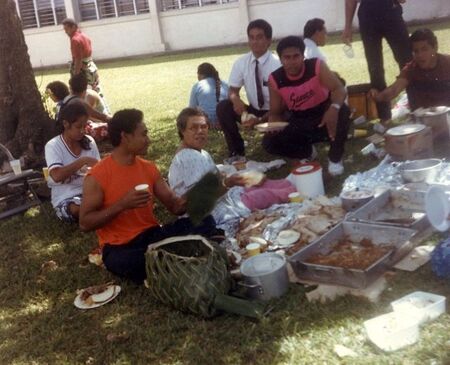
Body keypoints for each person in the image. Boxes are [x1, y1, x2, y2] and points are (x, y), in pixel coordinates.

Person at [79, 109, 218, 284]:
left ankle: (165, 262)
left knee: (206, 221)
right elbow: (85, 223)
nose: (148, 140)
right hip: (120, 247)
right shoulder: (97, 175)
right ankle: (172, 259)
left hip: (152, 236)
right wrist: (122, 205)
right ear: (125, 137)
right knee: (126, 261)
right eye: (143, 134)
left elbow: (176, 207)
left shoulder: (148, 168)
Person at [169, 107, 296, 231]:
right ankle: (300, 192)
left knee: (266, 185)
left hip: (223, 200)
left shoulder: (198, 153)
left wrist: (227, 178)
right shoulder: (188, 156)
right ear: (182, 130)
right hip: (213, 214)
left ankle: (296, 189)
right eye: (193, 127)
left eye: (203, 126)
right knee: (266, 194)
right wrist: (229, 182)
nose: (200, 131)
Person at [264, 36, 351, 176]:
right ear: (280, 59)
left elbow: (339, 89)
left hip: (323, 113)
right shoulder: (275, 79)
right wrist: (273, 121)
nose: (292, 62)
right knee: (270, 141)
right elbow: (275, 112)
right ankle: (307, 152)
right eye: (287, 57)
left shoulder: (316, 66)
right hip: (299, 119)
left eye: (296, 56)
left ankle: (335, 157)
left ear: (303, 56)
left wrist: (333, 108)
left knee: (343, 111)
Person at [216, 19, 281, 162]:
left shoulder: (277, 64)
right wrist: (235, 99)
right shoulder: (241, 62)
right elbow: (233, 90)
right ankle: (237, 152)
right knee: (223, 107)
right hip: (254, 110)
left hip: (276, 111)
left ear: (269, 40)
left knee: (271, 143)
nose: (254, 42)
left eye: (259, 37)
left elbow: (283, 103)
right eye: (251, 37)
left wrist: (260, 120)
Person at [342, 0, 411, 129]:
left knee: (406, 60)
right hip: (368, 15)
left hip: (389, 11)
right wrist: (347, 26)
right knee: (375, 66)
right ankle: (384, 116)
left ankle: (417, 103)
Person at [45, 102, 100, 223]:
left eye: (84, 126)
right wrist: (82, 161)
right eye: (78, 127)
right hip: (67, 197)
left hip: (90, 192)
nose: (82, 131)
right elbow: (57, 175)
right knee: (76, 210)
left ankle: (96, 211)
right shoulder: (53, 146)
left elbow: (100, 170)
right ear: (65, 124)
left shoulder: (89, 142)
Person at [370, 29, 450, 111]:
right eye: (416, 51)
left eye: (424, 49)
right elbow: (394, 90)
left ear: (435, 48)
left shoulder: (447, 63)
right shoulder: (411, 69)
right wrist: (377, 96)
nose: (420, 55)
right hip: (421, 119)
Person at [62, 18, 105, 99]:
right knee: (96, 92)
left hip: (83, 72)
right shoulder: (84, 36)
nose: (65, 32)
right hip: (91, 68)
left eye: (67, 29)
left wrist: (75, 76)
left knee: (85, 96)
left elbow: (78, 59)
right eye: (64, 29)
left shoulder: (75, 39)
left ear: (74, 27)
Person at [189, 63, 228, 127]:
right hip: (225, 121)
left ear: (200, 74)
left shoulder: (197, 86)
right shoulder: (225, 84)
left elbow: (191, 109)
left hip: (206, 123)